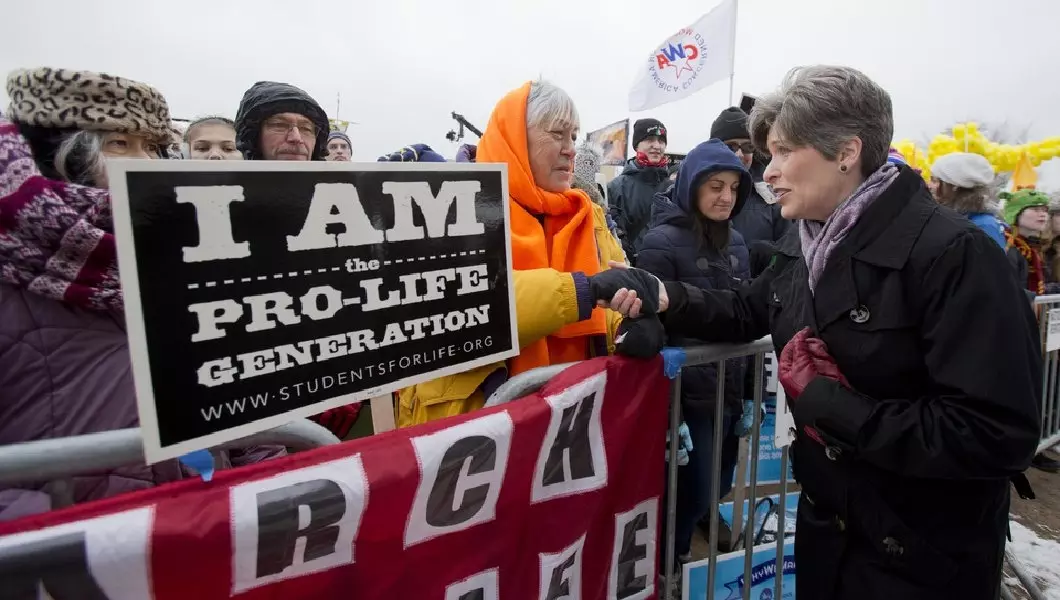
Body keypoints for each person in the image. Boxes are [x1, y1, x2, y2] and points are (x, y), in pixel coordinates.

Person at [593, 66, 1041, 600]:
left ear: (846, 152)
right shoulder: (804, 244)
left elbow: (995, 432)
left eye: (783, 153)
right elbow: (745, 310)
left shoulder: (954, 255)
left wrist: (834, 407)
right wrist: (666, 296)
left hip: (920, 554)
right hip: (827, 532)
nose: (768, 172)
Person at [0, 68, 285, 520]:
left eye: (151, 147)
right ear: (55, 154)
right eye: (118, 145)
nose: (143, 163)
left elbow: (244, 394)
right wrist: (50, 542)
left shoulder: (193, 253)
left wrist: (277, 486)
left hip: (204, 526)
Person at [396, 80, 649, 427]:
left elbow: (611, 290)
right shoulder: (451, 206)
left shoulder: (586, 213)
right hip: (476, 428)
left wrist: (627, 325)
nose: (570, 149)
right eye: (557, 134)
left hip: (571, 423)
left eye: (573, 136)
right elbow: (465, 304)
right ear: (514, 138)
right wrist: (582, 291)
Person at [635, 139, 752, 567]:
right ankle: (670, 560)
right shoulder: (660, 242)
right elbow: (653, 325)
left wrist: (752, 388)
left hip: (729, 386)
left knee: (719, 483)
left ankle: (679, 551)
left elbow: (746, 318)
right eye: (716, 186)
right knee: (692, 489)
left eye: (734, 188)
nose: (726, 197)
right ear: (692, 188)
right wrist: (669, 411)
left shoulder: (737, 241)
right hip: (690, 393)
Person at [711, 107, 790, 245]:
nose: (739, 154)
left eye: (748, 147)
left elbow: (788, 248)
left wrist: (769, 254)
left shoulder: (773, 195)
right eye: (731, 147)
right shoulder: (697, 191)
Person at [608, 118, 671, 263]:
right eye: (650, 139)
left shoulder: (673, 187)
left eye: (661, 141)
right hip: (629, 267)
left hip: (665, 267)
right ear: (637, 145)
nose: (657, 146)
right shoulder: (616, 187)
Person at [234, 81, 329, 161]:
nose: (296, 138)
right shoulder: (225, 182)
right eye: (279, 125)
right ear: (252, 138)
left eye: (305, 128)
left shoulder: (336, 183)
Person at [928, 152, 1004, 246]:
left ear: (953, 185)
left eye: (934, 181)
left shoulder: (984, 226)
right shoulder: (944, 216)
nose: (929, 186)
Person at [1002, 189, 1057, 295]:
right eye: (1035, 210)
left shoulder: (1031, 247)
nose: (1043, 214)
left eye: (1045, 210)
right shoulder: (1007, 245)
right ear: (1016, 214)